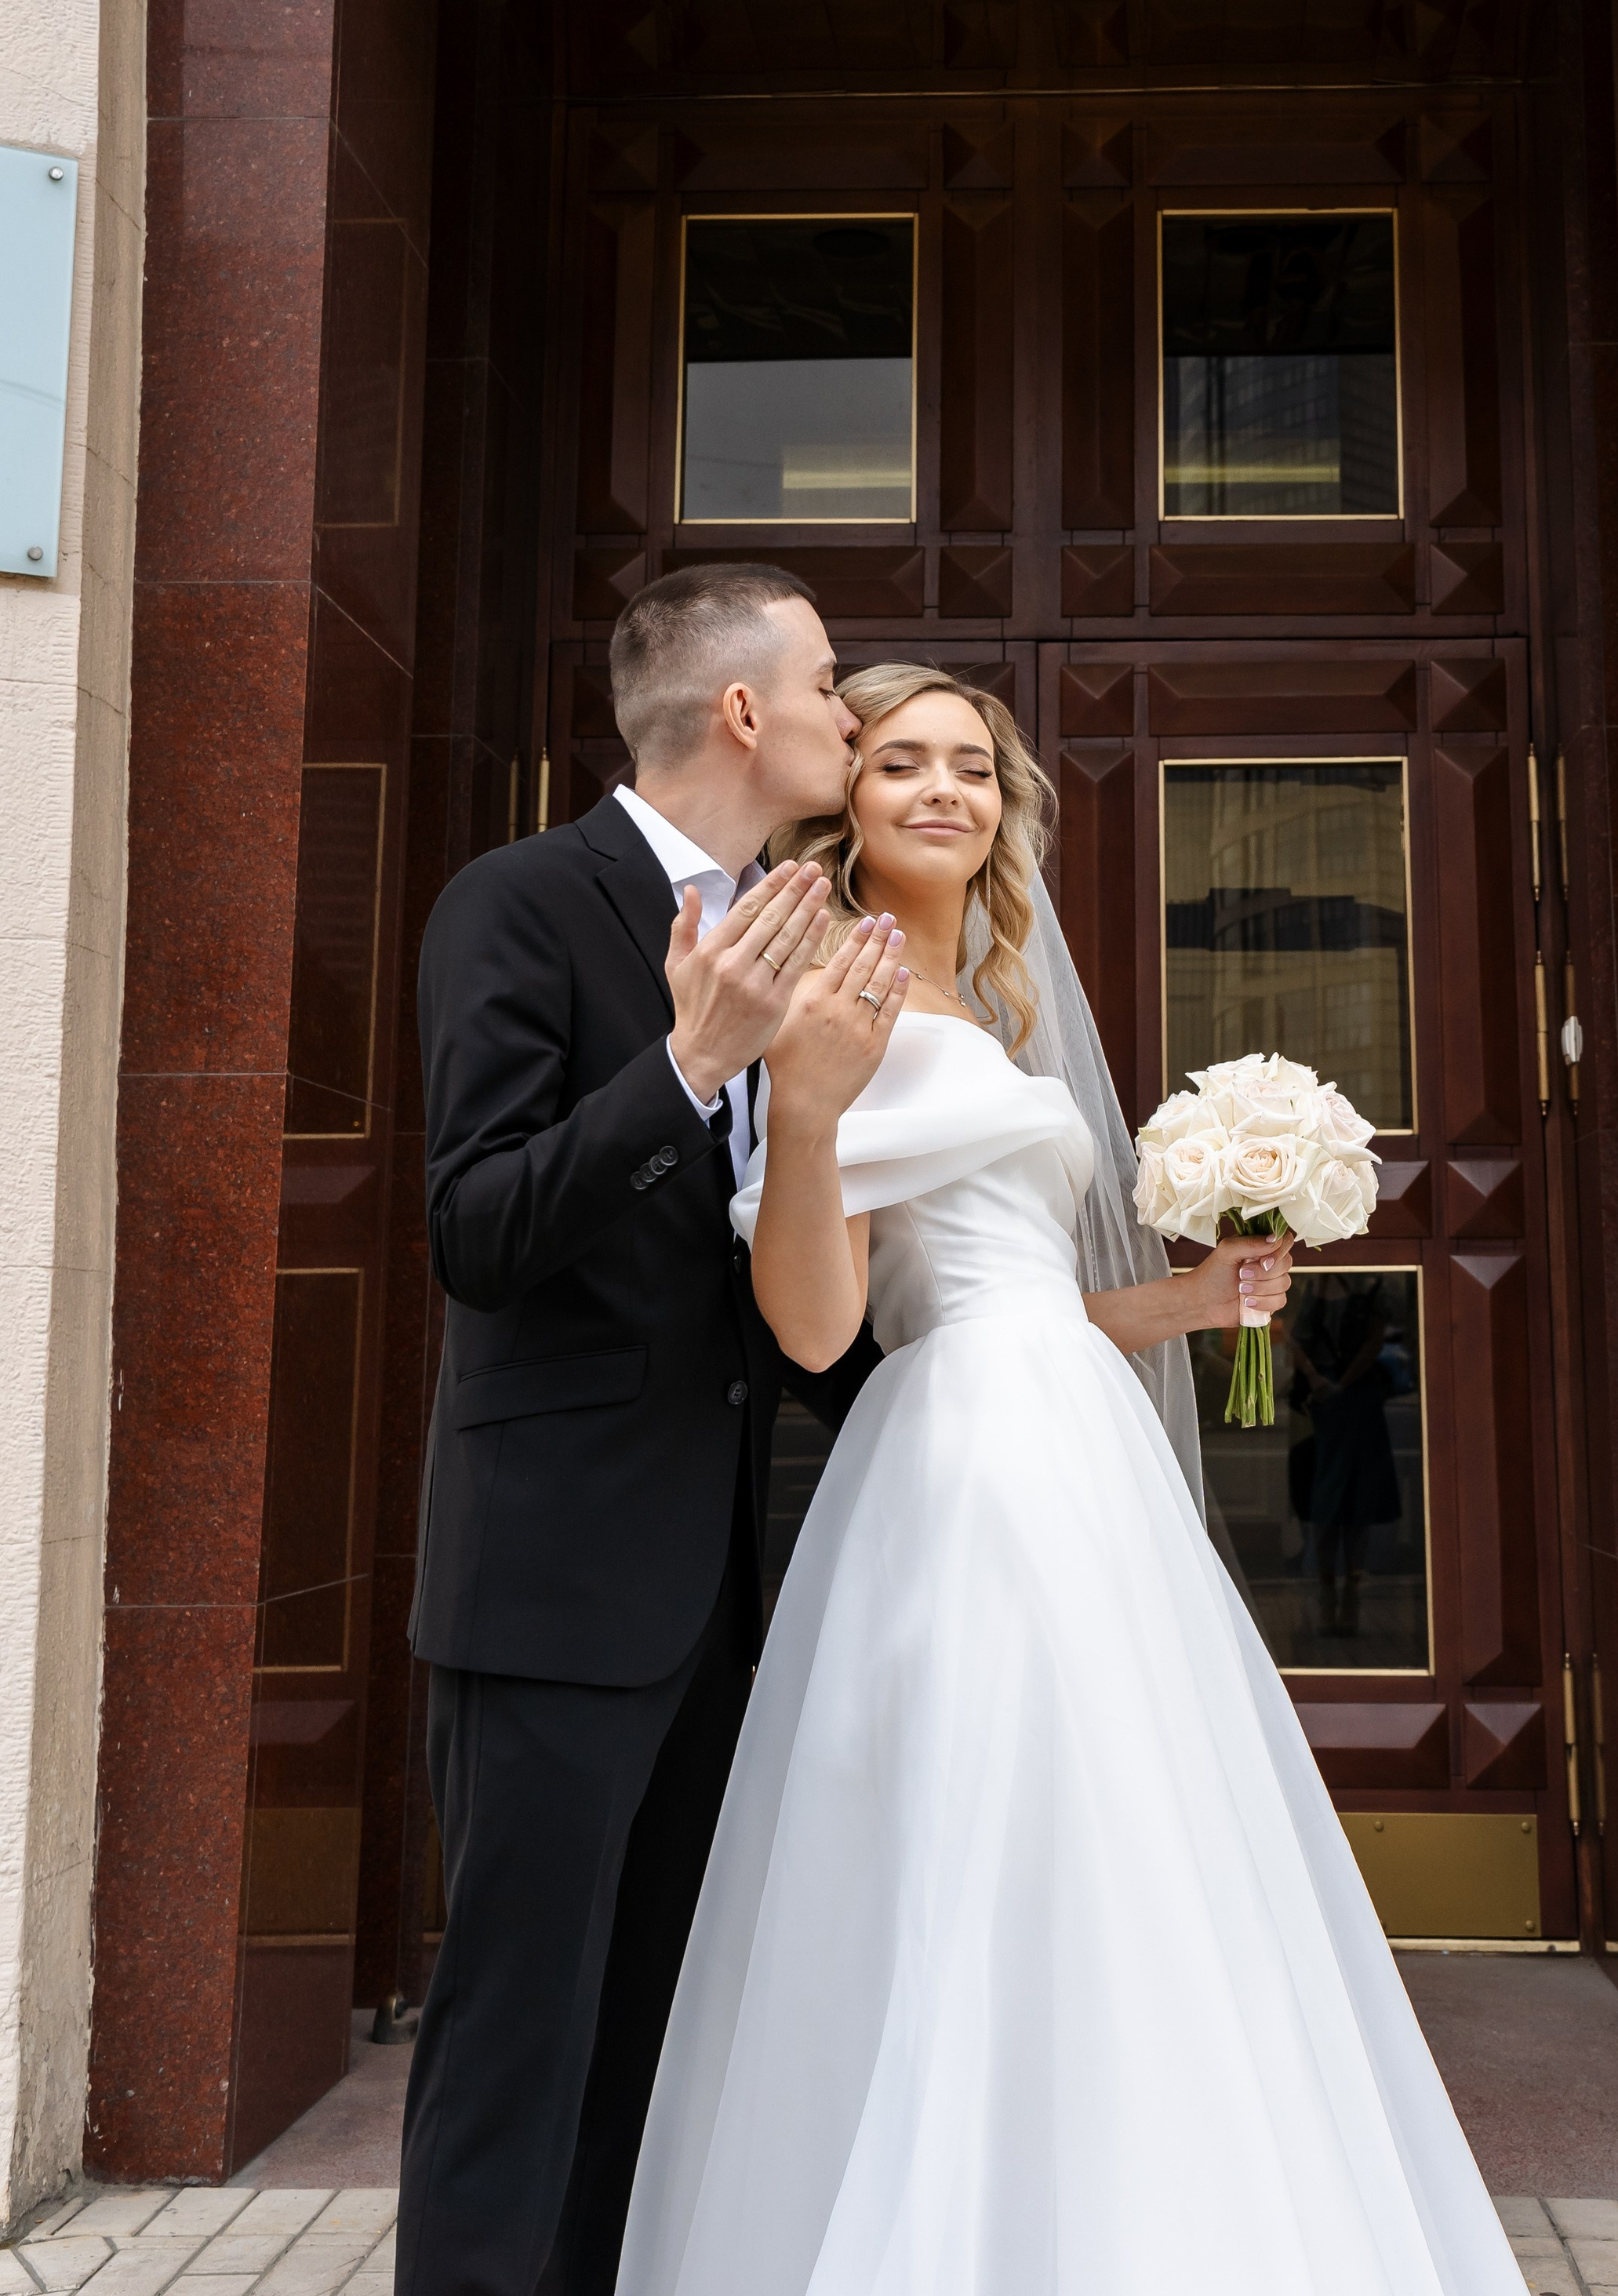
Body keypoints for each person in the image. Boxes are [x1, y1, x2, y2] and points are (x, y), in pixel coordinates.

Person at [614, 664, 1524, 2296]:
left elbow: (1028, 1282)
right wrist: (808, 1121)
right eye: (900, 764)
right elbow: (822, 1321)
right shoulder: (826, 991)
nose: (944, 791)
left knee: (1127, 1837)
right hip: (963, 1460)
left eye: (972, 764)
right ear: (844, 792)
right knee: (986, 1837)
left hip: (1073, 1439)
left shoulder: (996, 997)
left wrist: (1183, 1302)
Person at [396, 565, 879, 2296]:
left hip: (722, 1602)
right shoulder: (517, 903)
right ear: (742, 711)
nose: (852, 711)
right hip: (549, 1591)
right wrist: (683, 1069)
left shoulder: (802, 937)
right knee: (517, 2046)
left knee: (650, 2058)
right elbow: (477, 1230)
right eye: (828, 683)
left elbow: (788, 1293)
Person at [1289, 1279, 1405, 1639]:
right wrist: (1316, 1380)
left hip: (1356, 1404)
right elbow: (1293, 1338)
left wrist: (1340, 1385)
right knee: (1324, 1499)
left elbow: (1373, 1343)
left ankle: (1352, 1592)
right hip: (1319, 1407)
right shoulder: (1305, 1292)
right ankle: (1326, 1591)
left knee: (1358, 1498)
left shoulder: (1371, 1294)